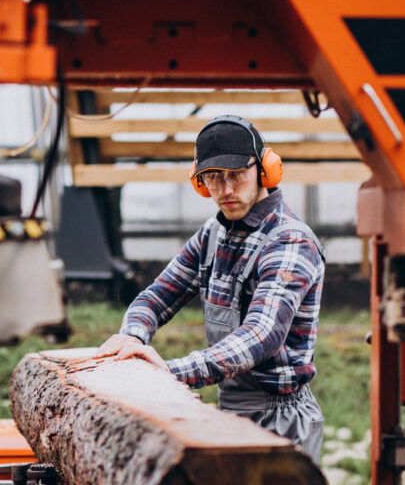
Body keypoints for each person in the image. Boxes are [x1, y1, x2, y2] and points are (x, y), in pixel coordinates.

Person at [95, 115, 326, 461]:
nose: (226, 189)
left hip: (279, 419)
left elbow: (262, 334)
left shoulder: (289, 240)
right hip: (231, 408)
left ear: (265, 170)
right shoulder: (212, 234)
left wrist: (170, 372)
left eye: (237, 175)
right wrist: (134, 336)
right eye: (214, 178)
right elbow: (157, 297)